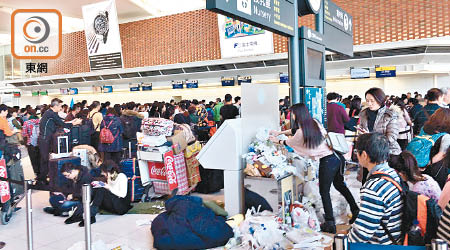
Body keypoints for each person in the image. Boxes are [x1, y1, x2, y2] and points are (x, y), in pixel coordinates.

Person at [269, 103, 358, 234]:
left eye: (293, 113)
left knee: (324, 192)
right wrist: (280, 132)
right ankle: (355, 209)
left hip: (327, 161)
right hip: (337, 157)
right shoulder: (314, 122)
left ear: (297, 114)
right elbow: (295, 132)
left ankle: (330, 223)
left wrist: (277, 140)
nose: (292, 116)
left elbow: (289, 141)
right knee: (340, 185)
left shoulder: (302, 132)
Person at [349, 133, 403, 244]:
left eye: (356, 152)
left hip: (381, 245)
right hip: (395, 240)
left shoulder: (374, 188)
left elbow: (361, 234)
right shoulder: (392, 174)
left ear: (364, 155)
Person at [65, 160, 131, 226]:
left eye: (103, 172)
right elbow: (110, 191)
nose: (102, 174)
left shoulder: (121, 177)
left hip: (121, 207)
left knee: (101, 189)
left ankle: (90, 216)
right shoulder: (110, 177)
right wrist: (102, 185)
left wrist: (107, 187)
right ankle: (78, 214)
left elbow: (122, 194)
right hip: (113, 204)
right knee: (95, 188)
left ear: (108, 171)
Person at [358, 88, 401, 183]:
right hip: (369, 153)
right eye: (367, 100)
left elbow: (392, 137)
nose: (369, 103)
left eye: (372, 101)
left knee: (384, 183)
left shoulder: (390, 114)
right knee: (366, 182)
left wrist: (370, 136)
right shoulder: (364, 113)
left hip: (386, 153)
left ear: (380, 100)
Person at [38, 99, 82, 184]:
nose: (61, 108)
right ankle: (41, 180)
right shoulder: (51, 114)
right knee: (44, 160)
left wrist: (72, 122)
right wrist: (74, 123)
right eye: (60, 106)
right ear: (55, 106)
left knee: (46, 159)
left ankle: (44, 178)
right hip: (44, 139)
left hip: (47, 139)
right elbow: (62, 124)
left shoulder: (52, 113)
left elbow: (60, 123)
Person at [21, 109, 40, 176]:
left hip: (31, 143)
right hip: (40, 143)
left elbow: (23, 134)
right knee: (39, 158)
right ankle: (40, 173)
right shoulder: (40, 121)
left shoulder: (27, 122)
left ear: (29, 114)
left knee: (33, 159)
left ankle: (34, 173)